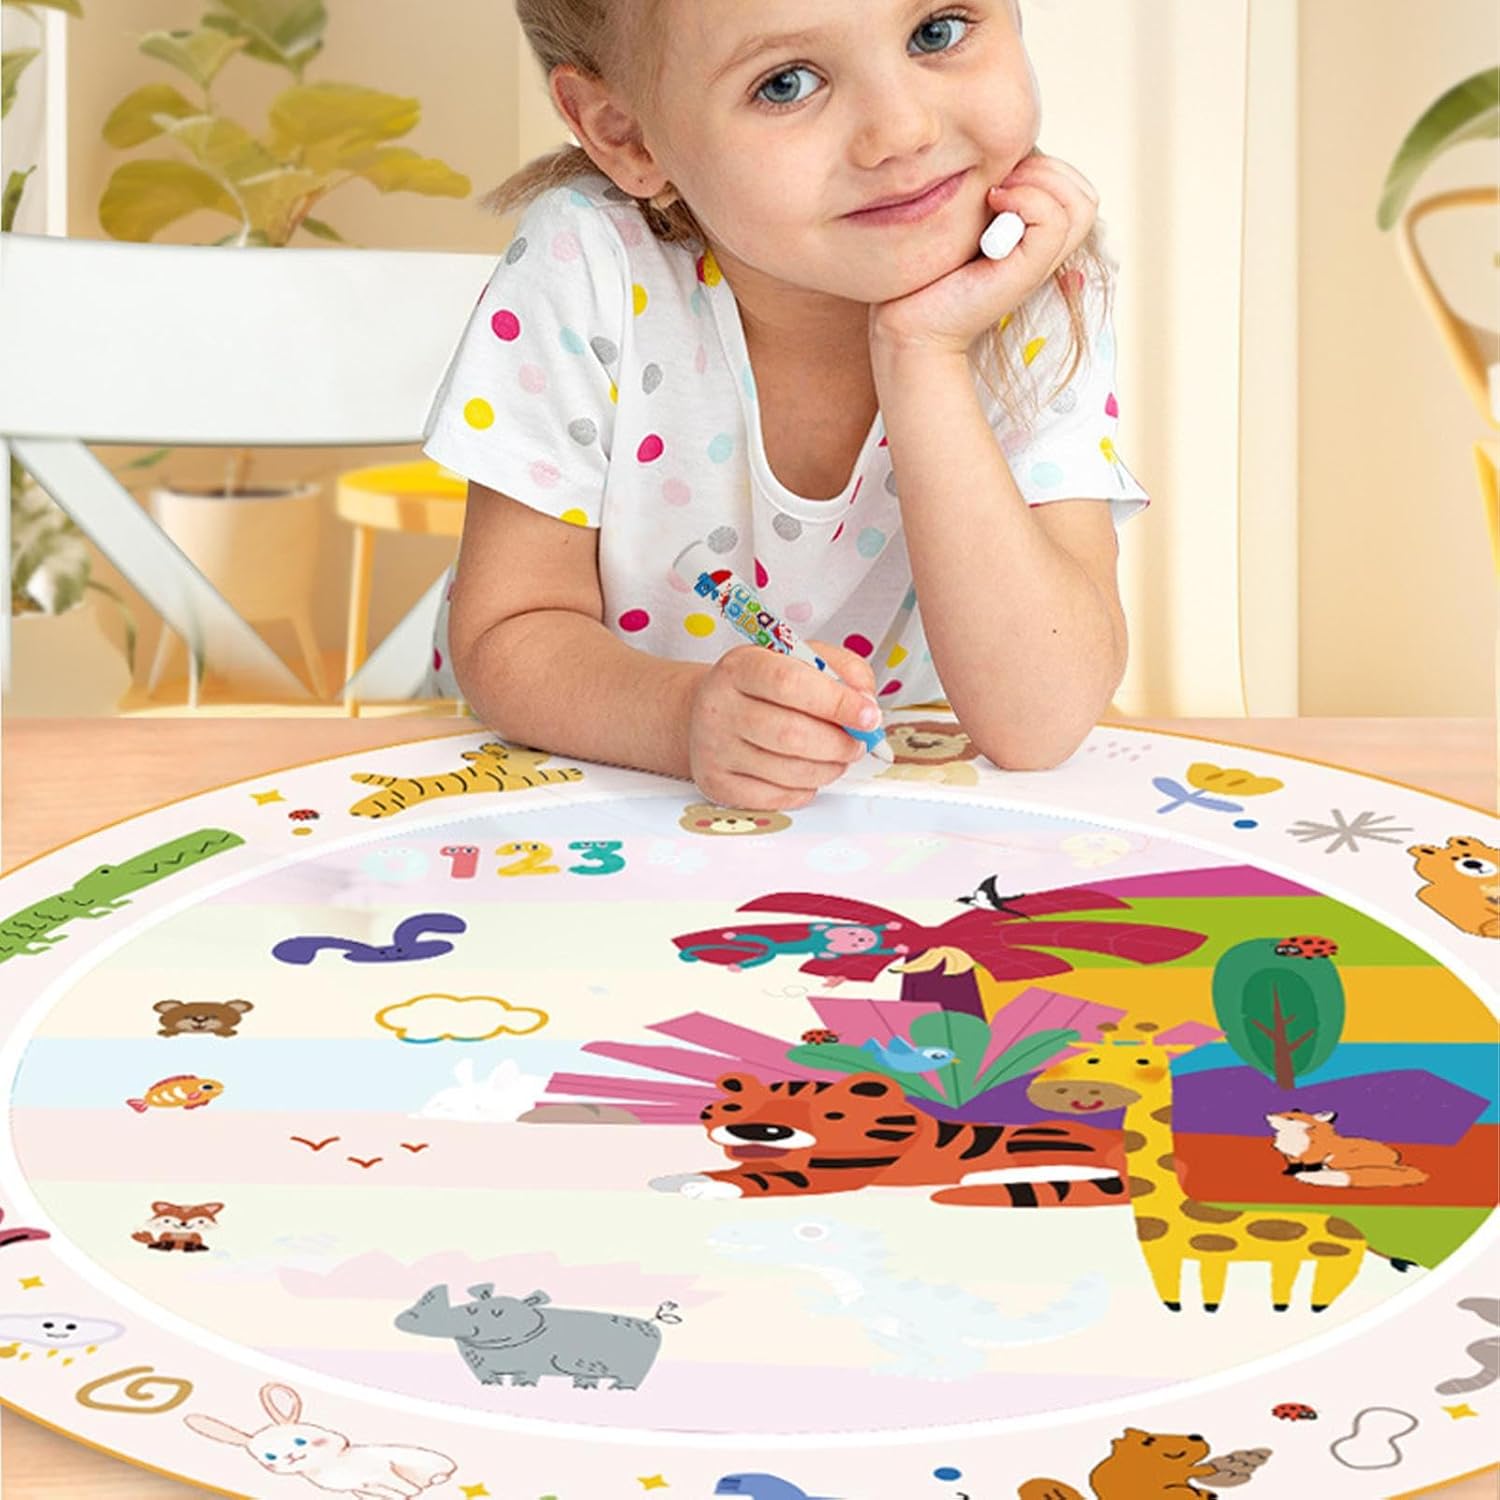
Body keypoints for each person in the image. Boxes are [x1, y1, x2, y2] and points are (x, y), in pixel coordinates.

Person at [421, 0, 1150, 811]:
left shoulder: (1034, 282)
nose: (902, 130)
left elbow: (1041, 722)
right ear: (627, 136)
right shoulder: (589, 264)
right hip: (568, 799)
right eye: (786, 84)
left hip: (884, 814)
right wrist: (683, 719)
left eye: (936, 31)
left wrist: (923, 352)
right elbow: (510, 631)